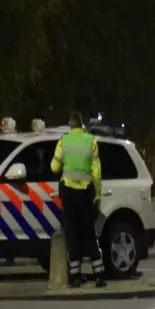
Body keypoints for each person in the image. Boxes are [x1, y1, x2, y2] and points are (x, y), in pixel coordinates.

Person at [50, 111, 106, 288]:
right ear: (82, 125)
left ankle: (75, 277)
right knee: (89, 232)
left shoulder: (63, 141)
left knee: (73, 233)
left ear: (70, 125)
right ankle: (99, 275)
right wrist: (97, 195)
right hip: (86, 193)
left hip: (69, 193)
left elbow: (53, 167)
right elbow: (97, 172)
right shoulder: (91, 141)